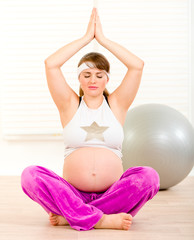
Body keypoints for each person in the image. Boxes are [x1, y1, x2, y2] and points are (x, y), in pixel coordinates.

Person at [21, 8, 160, 231]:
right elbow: (51, 64)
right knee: (30, 175)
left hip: (112, 194)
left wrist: (102, 40)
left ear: (107, 79)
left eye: (99, 75)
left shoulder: (116, 104)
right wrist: (86, 39)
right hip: (71, 193)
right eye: (87, 75)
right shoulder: (69, 105)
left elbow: (137, 65)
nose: (93, 80)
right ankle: (102, 219)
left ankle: (76, 215)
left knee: (149, 177)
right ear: (79, 78)